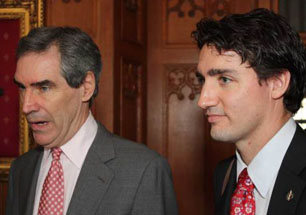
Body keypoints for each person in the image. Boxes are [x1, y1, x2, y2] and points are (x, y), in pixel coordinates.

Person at [6, 27, 178, 215]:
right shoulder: (21, 170)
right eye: (22, 88)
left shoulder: (143, 171)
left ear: (86, 87)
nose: (27, 106)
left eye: (44, 87)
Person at [192, 8, 306, 215]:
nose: (203, 100)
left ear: (277, 83)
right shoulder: (224, 174)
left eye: (225, 79)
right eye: (202, 80)